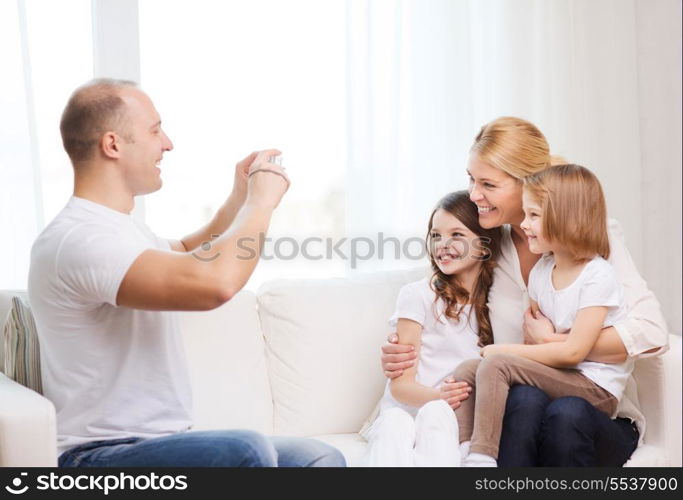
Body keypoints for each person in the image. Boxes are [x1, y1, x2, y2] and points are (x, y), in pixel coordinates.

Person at [28, 78, 345, 467]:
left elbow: (185, 253)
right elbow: (213, 284)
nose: (167, 143)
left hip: (166, 442)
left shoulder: (118, 230)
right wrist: (261, 203)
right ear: (112, 145)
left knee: (318, 458)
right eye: (155, 130)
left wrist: (239, 197)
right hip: (98, 457)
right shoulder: (79, 239)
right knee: (247, 451)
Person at [381, 117, 669, 466]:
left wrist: (556, 343)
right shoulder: (490, 247)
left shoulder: (590, 239)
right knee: (522, 401)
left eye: (488, 183)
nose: (474, 195)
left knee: (564, 413)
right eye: (471, 179)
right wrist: (403, 352)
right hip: (521, 408)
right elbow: (438, 293)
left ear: (529, 183)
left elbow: (652, 332)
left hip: (589, 414)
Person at [454, 164, 632, 467]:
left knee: (494, 362)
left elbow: (574, 351)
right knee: (468, 370)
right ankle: (462, 448)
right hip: (560, 377)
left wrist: (499, 351)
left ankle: (481, 458)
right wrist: (515, 351)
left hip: (594, 387)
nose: (523, 225)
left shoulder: (596, 275)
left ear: (566, 218)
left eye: (533, 216)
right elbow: (536, 350)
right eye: (525, 214)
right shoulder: (541, 272)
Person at [363, 191, 501, 466]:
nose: (443, 245)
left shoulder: (498, 304)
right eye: (435, 235)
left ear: (484, 246)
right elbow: (401, 387)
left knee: (438, 418)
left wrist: (444, 405)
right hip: (407, 410)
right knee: (396, 423)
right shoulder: (417, 295)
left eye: (457, 235)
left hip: (449, 420)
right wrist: (440, 397)